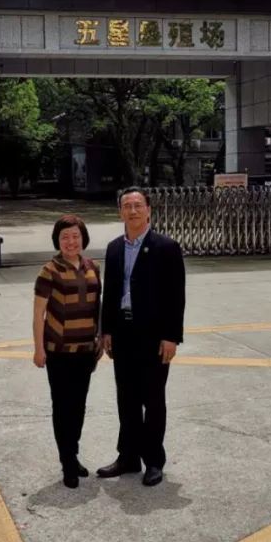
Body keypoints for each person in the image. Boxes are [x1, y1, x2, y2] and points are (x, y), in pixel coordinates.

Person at [97, 187, 185, 487]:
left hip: (154, 336)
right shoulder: (114, 248)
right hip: (123, 333)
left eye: (137, 205)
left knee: (153, 399)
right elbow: (110, 292)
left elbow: (176, 296)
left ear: (148, 210)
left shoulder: (166, 247)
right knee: (127, 399)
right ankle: (128, 457)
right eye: (127, 206)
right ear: (120, 212)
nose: (132, 211)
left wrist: (171, 337)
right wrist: (106, 330)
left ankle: (154, 461)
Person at [32, 214, 103, 488]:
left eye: (75, 236)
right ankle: (68, 462)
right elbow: (39, 314)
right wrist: (39, 349)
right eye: (65, 237)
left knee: (79, 406)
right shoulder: (49, 271)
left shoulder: (93, 267)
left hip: (85, 350)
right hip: (58, 352)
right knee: (63, 407)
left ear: (83, 238)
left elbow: (97, 307)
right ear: (57, 241)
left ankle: (72, 453)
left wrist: (99, 338)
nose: (71, 242)